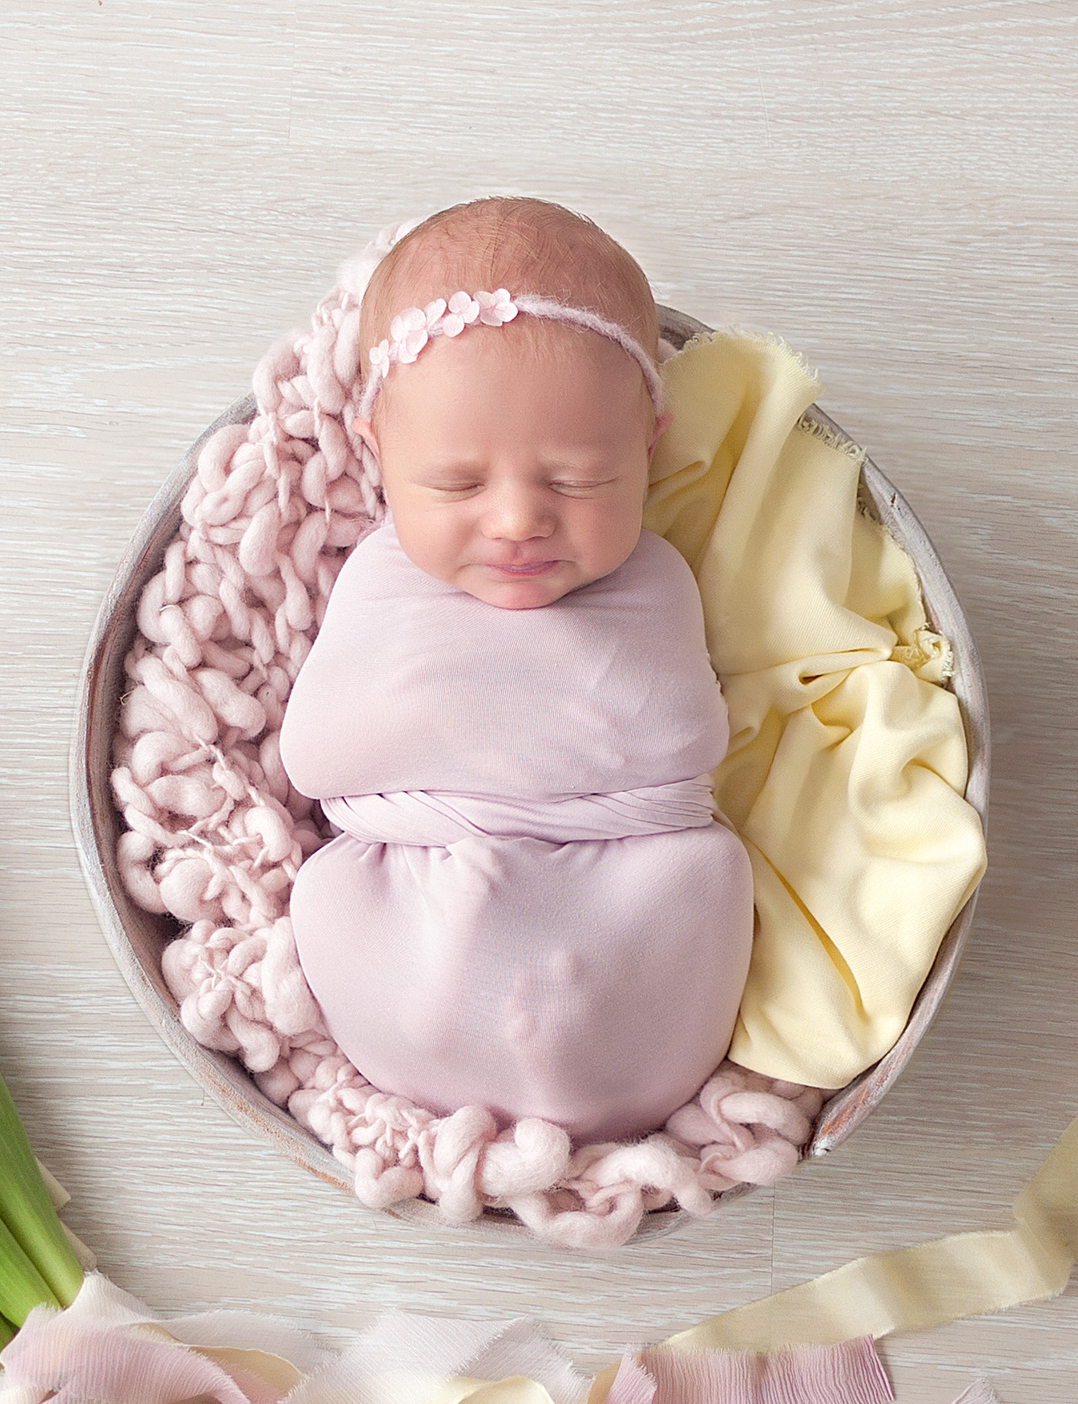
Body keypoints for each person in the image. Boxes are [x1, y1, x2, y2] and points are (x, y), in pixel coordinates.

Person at [278, 198, 754, 1142]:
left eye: (578, 481)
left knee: (709, 871)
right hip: (407, 926)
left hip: (624, 918)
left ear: (645, 447)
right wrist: (479, 726)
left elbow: (680, 733)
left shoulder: (655, 573)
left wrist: (457, 726)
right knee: (324, 893)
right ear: (377, 452)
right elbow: (314, 755)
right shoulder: (376, 570)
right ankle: (436, 1053)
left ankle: (606, 1075)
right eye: (456, 484)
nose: (516, 523)